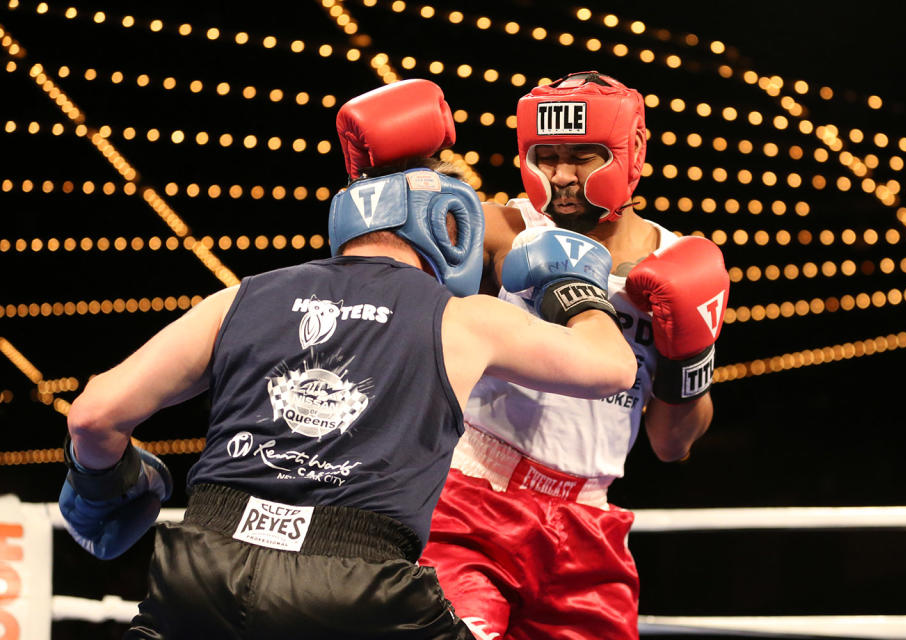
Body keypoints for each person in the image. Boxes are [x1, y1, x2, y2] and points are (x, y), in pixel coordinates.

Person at [56, 78, 638, 640]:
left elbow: (92, 414)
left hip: (203, 559)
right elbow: (612, 369)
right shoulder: (460, 320)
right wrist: (576, 290)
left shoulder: (242, 297)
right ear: (450, 228)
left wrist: (103, 485)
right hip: (355, 573)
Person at [417, 71, 732, 639]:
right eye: (545, 155)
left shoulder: (682, 269)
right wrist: (392, 180)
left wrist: (689, 353)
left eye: (582, 155)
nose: (559, 175)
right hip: (474, 500)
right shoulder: (500, 229)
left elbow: (671, 443)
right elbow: (390, 247)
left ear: (630, 151)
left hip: (590, 522)